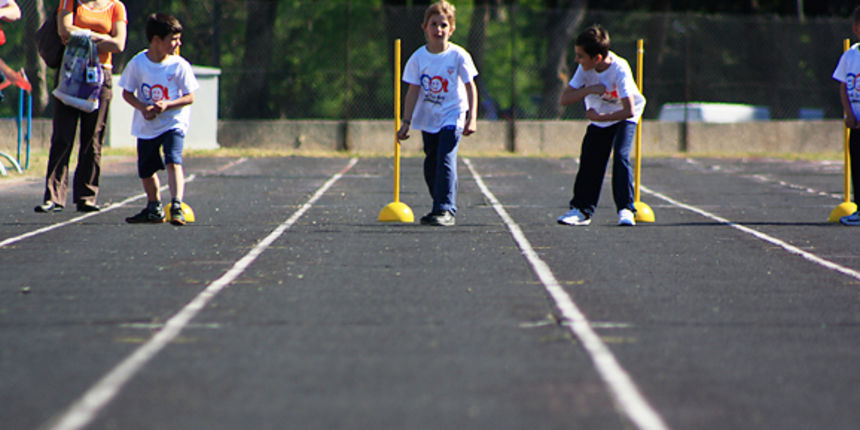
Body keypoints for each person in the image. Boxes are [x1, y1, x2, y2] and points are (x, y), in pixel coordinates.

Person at [35, 0, 127, 213]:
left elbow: (119, 44)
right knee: (62, 137)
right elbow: (64, 31)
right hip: (71, 70)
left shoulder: (116, 7)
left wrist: (82, 37)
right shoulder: (70, 2)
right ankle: (54, 196)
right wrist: (102, 38)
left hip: (101, 74)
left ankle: (87, 196)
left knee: (93, 139)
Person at [396, 0, 478, 227]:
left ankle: (445, 208)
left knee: (445, 157)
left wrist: (472, 117)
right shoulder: (418, 58)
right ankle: (439, 203)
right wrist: (406, 122)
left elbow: (471, 87)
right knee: (431, 162)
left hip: (453, 114)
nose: (438, 30)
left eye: (443, 25)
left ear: (451, 29)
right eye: (434, 24)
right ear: (425, 28)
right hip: (429, 118)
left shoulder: (459, 56)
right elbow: (413, 90)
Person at [556, 25, 645, 227]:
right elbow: (565, 98)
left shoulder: (619, 69)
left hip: (623, 116)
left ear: (597, 58)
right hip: (600, 115)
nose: (577, 60)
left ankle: (625, 209)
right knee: (590, 159)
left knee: (621, 156)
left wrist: (602, 117)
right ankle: (581, 210)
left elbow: (629, 110)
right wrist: (590, 90)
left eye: (580, 56)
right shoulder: (584, 69)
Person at [118, 12, 198, 226]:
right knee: (146, 169)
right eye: (173, 39)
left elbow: (190, 96)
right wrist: (143, 108)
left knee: (173, 159)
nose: (178, 44)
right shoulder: (138, 64)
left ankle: (176, 204)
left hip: (173, 122)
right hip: (147, 125)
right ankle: (153, 206)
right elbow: (127, 92)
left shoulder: (179, 65)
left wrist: (167, 105)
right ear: (156, 40)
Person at [834, 6, 860, 226]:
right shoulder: (850, 55)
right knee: (858, 167)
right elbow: (843, 86)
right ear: (856, 28)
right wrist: (849, 113)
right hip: (856, 123)